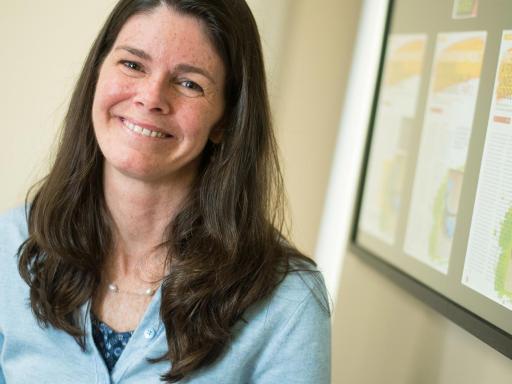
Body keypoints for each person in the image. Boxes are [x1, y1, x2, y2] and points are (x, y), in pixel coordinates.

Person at [0, 0, 330, 382]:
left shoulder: (288, 300)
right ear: (97, 74)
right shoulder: (11, 244)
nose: (151, 97)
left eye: (190, 83)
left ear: (226, 120)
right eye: (133, 64)